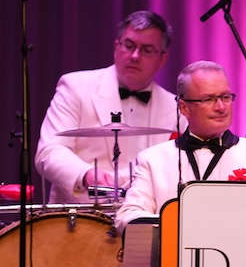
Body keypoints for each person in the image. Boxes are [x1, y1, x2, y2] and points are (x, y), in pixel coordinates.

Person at [115, 61, 246, 233]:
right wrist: (181, 222)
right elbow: (127, 217)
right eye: (209, 99)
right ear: (184, 107)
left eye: (225, 97)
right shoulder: (153, 160)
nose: (221, 107)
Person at [35, 10, 183, 203]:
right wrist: (86, 174)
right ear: (116, 46)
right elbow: (49, 151)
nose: (135, 56)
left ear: (163, 58)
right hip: (78, 219)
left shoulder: (176, 108)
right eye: (129, 46)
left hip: (143, 219)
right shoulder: (75, 87)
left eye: (147, 50)